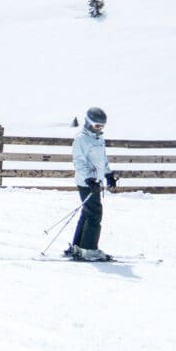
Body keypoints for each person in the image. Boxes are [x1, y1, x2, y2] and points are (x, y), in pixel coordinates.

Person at [67, 107, 117, 261]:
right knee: (95, 214)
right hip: (86, 182)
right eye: (97, 125)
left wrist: (108, 175)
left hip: (95, 181)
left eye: (102, 126)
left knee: (88, 213)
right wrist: (89, 179)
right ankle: (89, 249)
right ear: (88, 123)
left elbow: (102, 160)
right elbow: (79, 162)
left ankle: (79, 246)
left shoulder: (98, 139)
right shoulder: (81, 139)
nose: (99, 129)